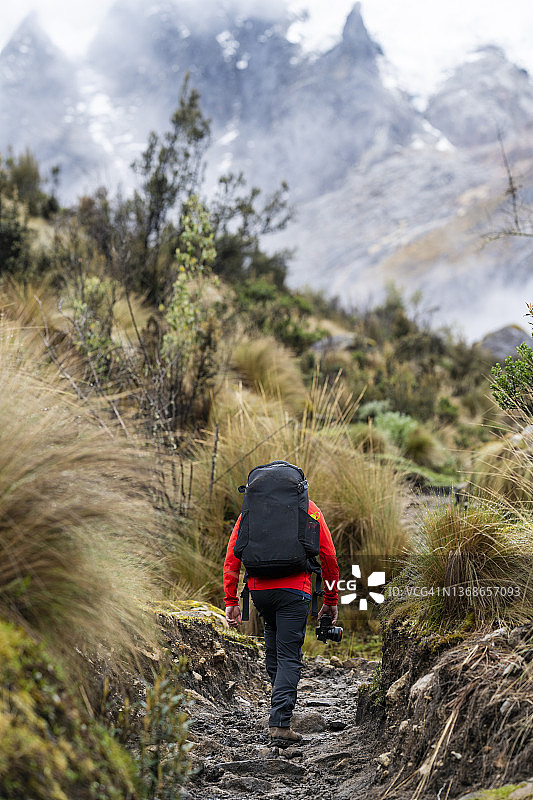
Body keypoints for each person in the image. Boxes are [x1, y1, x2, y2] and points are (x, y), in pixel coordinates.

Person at [223, 482, 339, 747]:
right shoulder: (309, 509)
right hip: (295, 592)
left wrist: (231, 600)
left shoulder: (250, 512)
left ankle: (280, 710)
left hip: (259, 592)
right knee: (289, 655)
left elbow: (232, 558)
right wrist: (330, 600)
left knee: (274, 649)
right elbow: (329, 559)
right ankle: (280, 724)